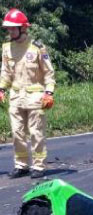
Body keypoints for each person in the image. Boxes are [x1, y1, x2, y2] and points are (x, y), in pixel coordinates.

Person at [0, 8, 55, 179]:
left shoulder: (37, 47)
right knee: (17, 133)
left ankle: (38, 166)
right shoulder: (7, 48)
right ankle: (21, 165)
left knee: (36, 133)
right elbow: (5, 72)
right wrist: (1, 88)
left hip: (35, 98)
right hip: (16, 98)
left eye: (12, 27)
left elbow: (49, 73)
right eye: (7, 28)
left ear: (23, 28)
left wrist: (49, 92)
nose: (9, 30)